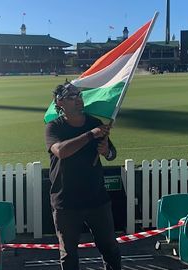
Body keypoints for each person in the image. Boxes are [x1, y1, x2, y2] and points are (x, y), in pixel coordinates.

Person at [45, 81, 121, 270]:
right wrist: (89, 135)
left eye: (79, 95)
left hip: (97, 199)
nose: (78, 100)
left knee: (110, 249)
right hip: (66, 201)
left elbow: (112, 153)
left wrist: (106, 152)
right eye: (72, 97)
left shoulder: (94, 123)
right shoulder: (54, 127)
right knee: (69, 255)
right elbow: (61, 151)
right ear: (60, 102)